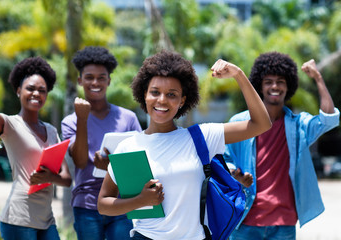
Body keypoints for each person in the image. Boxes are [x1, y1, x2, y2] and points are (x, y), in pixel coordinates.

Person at [97, 50, 271, 239]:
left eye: (172, 94)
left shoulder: (201, 137)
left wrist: (238, 74)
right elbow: (104, 204)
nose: (162, 100)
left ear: (182, 101)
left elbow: (261, 124)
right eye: (155, 92)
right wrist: (140, 200)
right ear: (144, 94)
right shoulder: (128, 146)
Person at [224, 52, 340, 240]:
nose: (275, 86)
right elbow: (225, 160)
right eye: (268, 81)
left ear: (289, 86)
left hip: (283, 223)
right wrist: (235, 175)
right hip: (245, 220)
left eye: (281, 81)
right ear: (259, 87)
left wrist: (318, 78)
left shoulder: (298, 124)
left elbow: (328, 120)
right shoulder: (239, 122)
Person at [0, 34, 72, 240]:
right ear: (18, 91)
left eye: (42, 90)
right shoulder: (10, 125)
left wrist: (50, 177)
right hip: (18, 220)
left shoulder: (51, 130)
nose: (36, 94)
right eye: (30, 88)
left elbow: (66, 179)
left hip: (46, 220)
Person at [61, 46, 142, 240]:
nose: (95, 82)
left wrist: (113, 166)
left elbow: (140, 162)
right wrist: (82, 119)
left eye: (101, 77)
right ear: (80, 80)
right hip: (86, 204)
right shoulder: (70, 121)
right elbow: (80, 162)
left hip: (121, 203)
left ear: (109, 80)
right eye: (89, 77)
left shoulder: (128, 118)